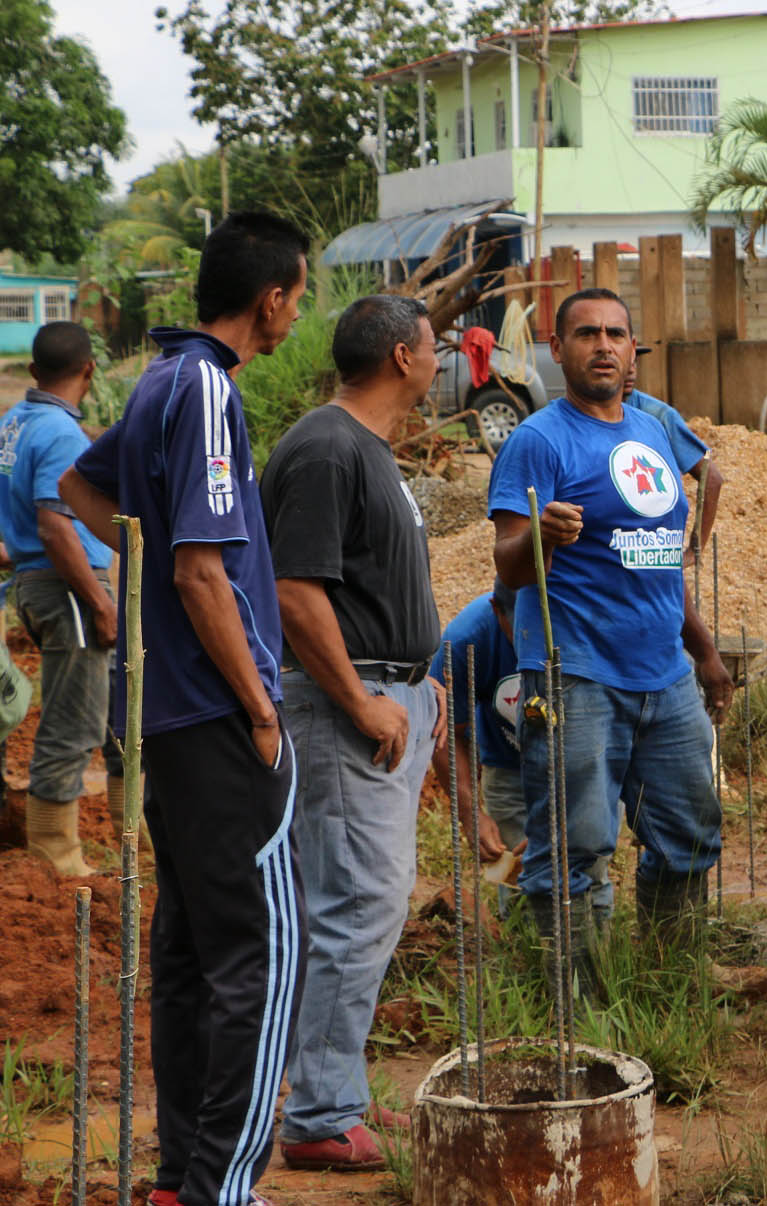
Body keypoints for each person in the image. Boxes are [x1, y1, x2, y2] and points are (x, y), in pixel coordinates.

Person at [60, 209, 309, 1206]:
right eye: (299, 292)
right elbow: (206, 571)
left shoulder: (161, 378)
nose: (299, 308)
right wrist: (257, 706)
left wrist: (146, 577)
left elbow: (83, 485)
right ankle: (222, 1186)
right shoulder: (206, 387)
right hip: (214, 712)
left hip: (161, 717)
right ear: (272, 300)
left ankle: (179, 1180)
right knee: (261, 951)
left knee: (194, 952)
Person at [490, 287, 731, 992]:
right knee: (575, 847)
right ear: (557, 348)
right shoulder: (538, 440)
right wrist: (540, 536)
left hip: (664, 676)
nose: (603, 345)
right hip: (575, 676)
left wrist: (704, 651)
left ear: (633, 350)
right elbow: (506, 560)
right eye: (587, 333)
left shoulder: (653, 431)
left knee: (690, 833)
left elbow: (655, 560)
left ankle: (667, 977)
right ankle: (582, 1010)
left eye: (616, 334)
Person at [263, 295, 446, 1173]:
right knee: (356, 904)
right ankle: (321, 1117)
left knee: (350, 902)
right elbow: (297, 594)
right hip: (351, 711)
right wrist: (366, 701)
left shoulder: (364, 448)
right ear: (404, 356)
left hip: (389, 700)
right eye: (434, 345)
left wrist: (421, 693)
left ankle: (330, 1095)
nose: (441, 359)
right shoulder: (329, 449)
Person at [0, 321, 116, 876]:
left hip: (33, 582)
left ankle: (130, 831)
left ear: (33, 372)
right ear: (89, 370)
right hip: (67, 587)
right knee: (73, 720)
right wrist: (99, 601)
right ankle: (56, 854)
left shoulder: (13, 424)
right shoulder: (62, 433)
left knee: (108, 706)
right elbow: (54, 527)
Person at [430, 580, 528, 865]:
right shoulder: (466, 640)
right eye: (521, 632)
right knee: (518, 881)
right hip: (509, 766)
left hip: (582, 766)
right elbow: (445, 733)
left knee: (585, 877)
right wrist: (471, 814)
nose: (529, 643)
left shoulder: (586, 624)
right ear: (498, 611)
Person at [623, 347, 722, 559]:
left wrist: (694, 550)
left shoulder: (659, 416)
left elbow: (711, 479)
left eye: (634, 363)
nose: (631, 371)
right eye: (625, 362)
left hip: (650, 548)